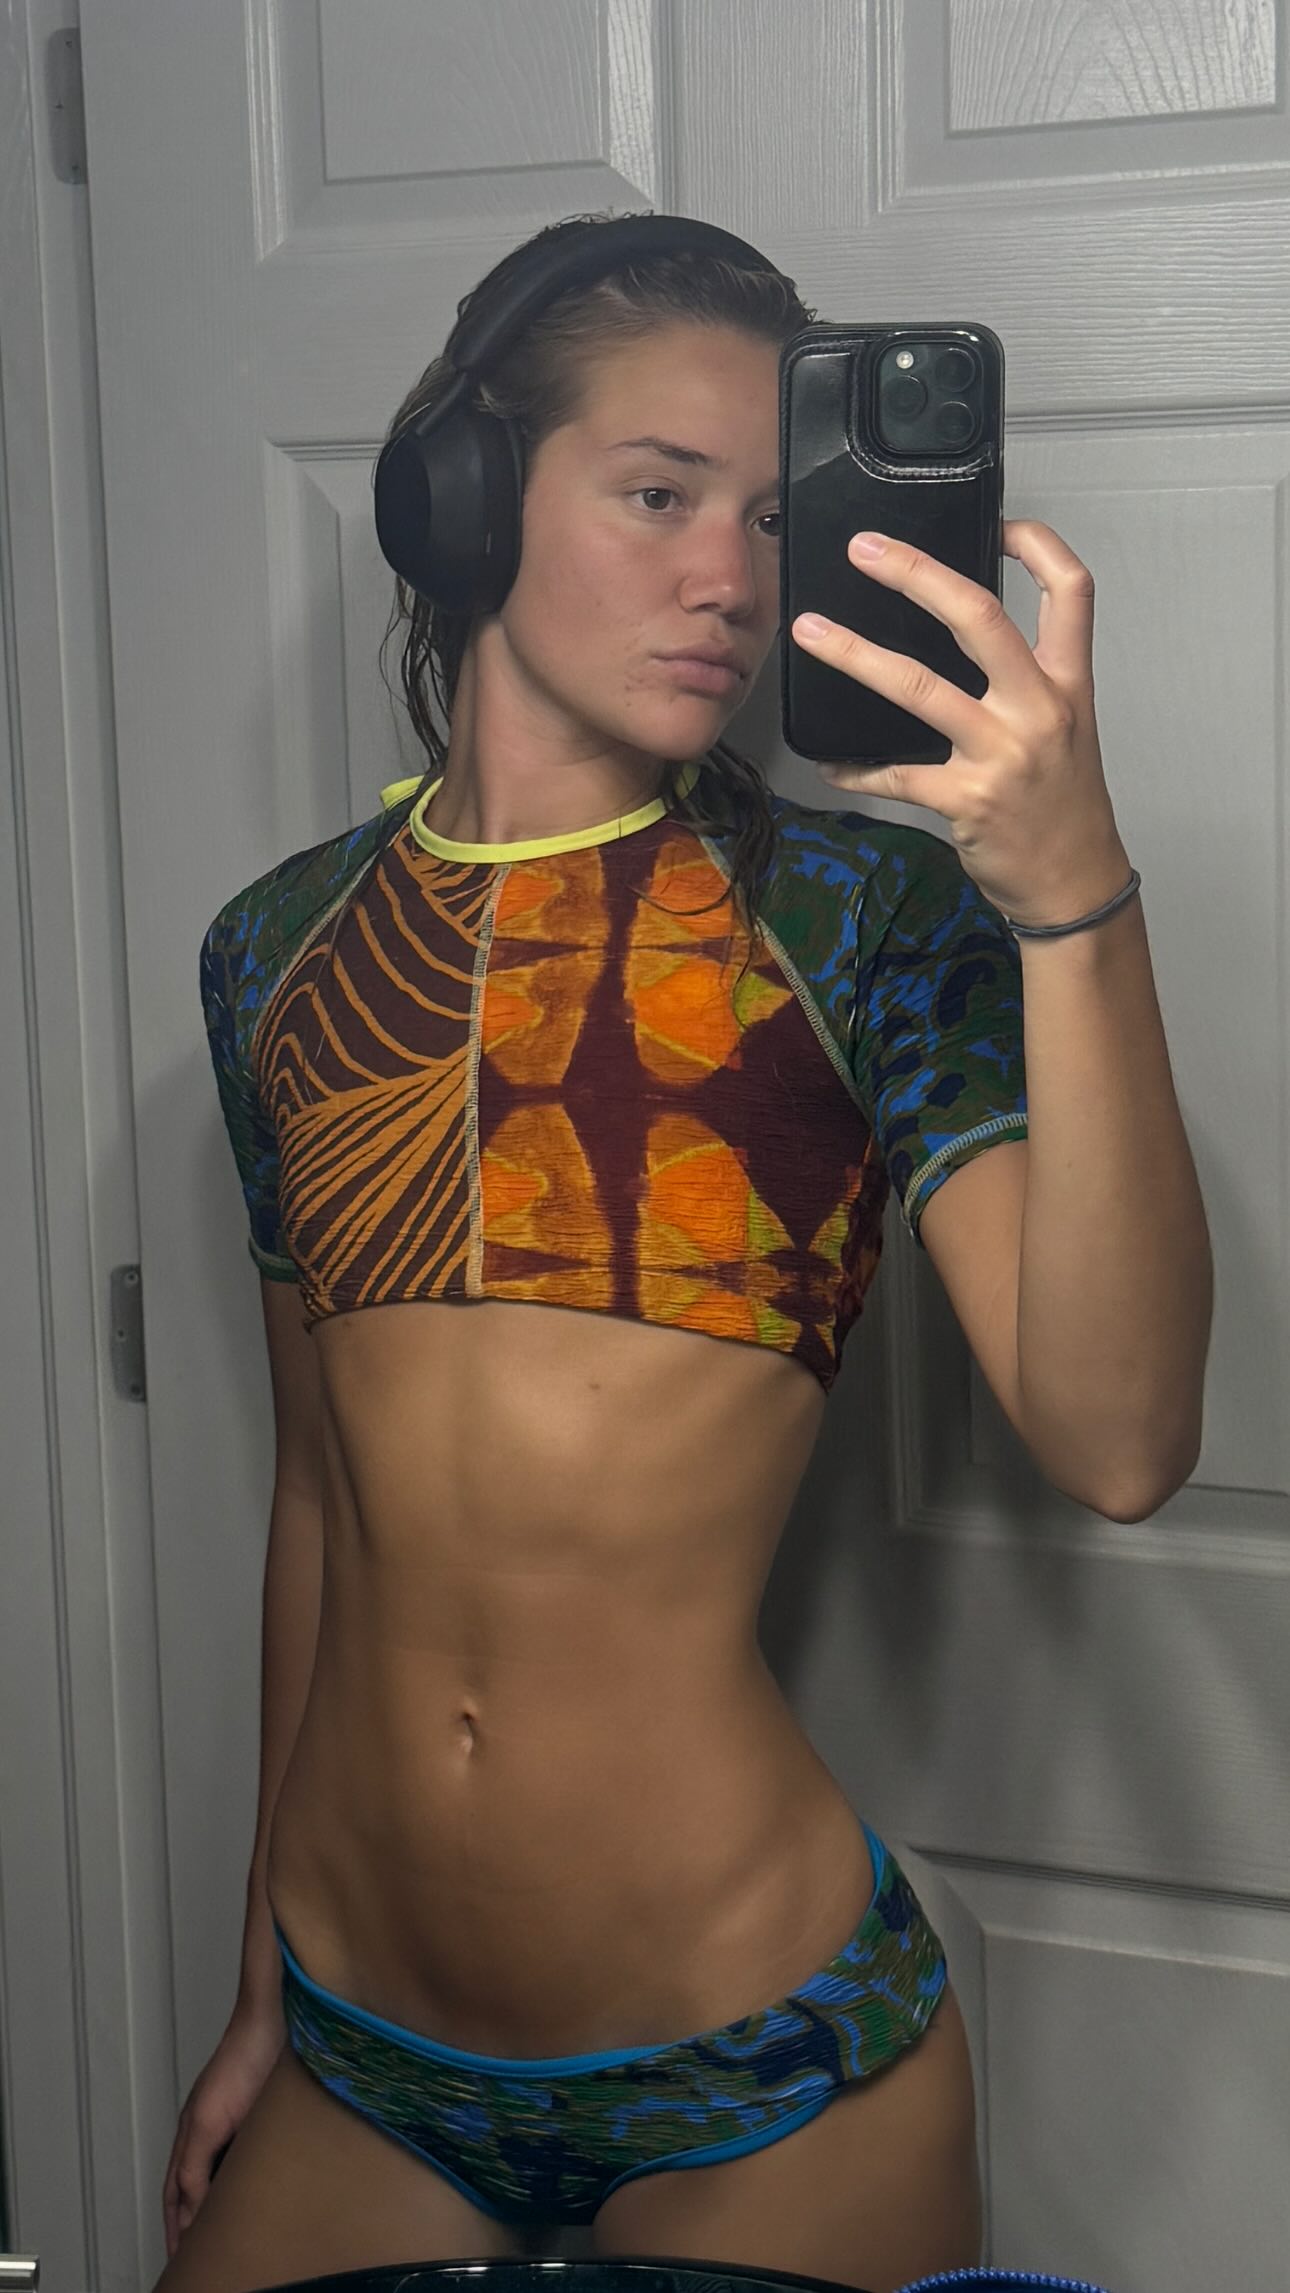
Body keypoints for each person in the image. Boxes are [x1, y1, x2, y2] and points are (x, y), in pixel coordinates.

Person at [161, 212, 1211, 2293]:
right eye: (657, 495)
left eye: (769, 518)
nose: (731, 579)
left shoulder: (860, 922)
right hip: (362, 2049)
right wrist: (259, 1989)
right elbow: (322, 1501)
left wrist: (1074, 894)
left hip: (762, 2067)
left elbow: (1118, 1440)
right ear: (462, 496)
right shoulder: (280, 953)